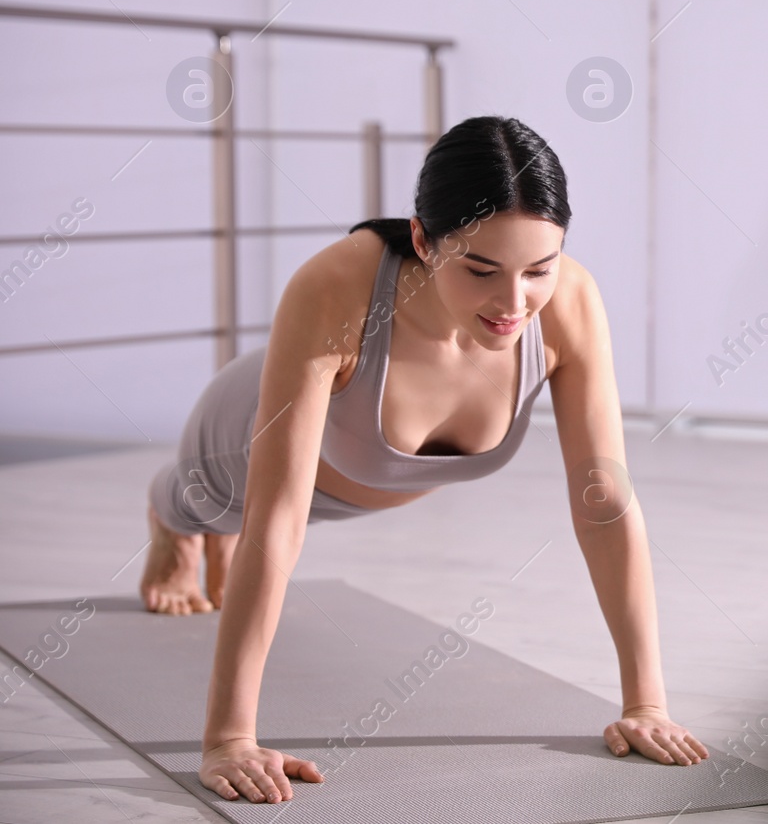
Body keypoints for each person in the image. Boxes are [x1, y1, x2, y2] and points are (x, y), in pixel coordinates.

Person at [139, 115, 708, 803]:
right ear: (421, 238)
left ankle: (209, 537)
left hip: (367, 482)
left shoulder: (571, 304)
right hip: (237, 443)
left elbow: (605, 499)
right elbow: (281, 514)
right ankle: (173, 525)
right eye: (480, 268)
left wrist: (645, 702)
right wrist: (229, 737)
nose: (512, 302)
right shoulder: (335, 286)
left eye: (538, 269)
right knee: (209, 503)